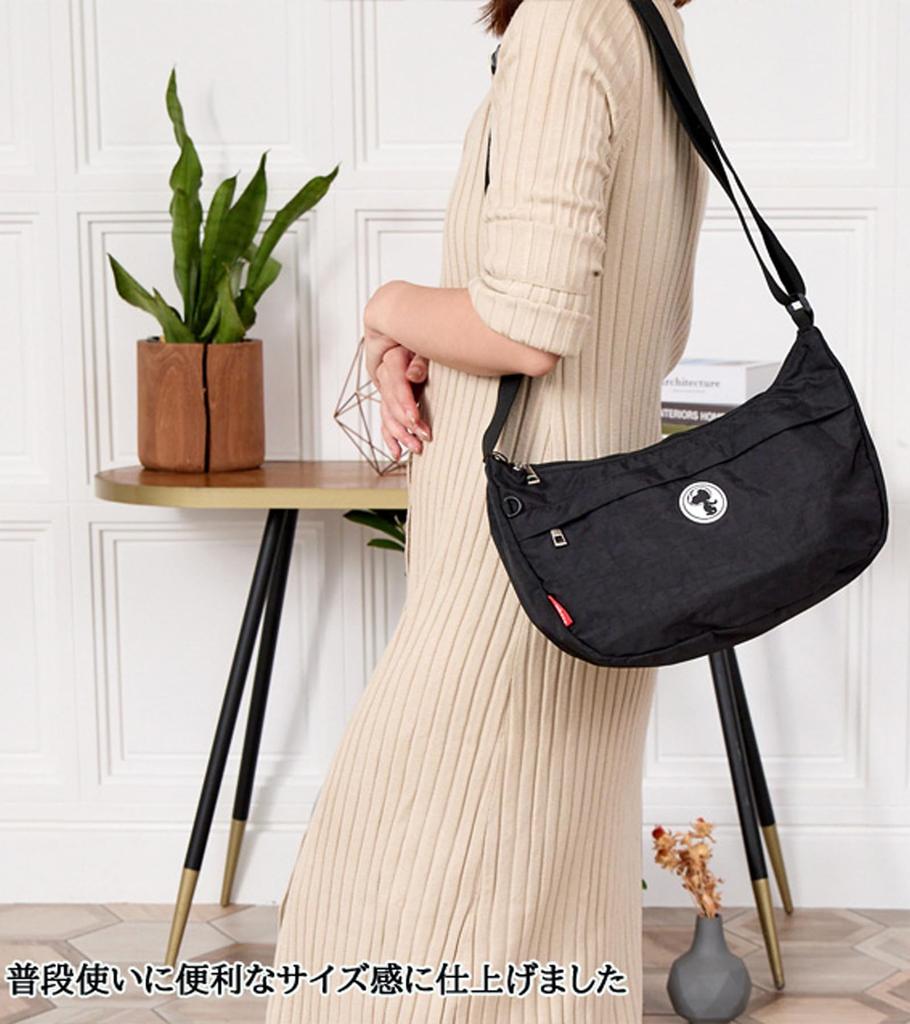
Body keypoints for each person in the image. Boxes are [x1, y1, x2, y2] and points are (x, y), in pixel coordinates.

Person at [266, 0, 708, 1020]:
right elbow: (641, 327)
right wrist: (432, 335)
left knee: (400, 896)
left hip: (514, 549)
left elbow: (526, 327)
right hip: (602, 538)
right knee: (545, 907)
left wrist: (389, 306)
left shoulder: (565, 19)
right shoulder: (647, 21)